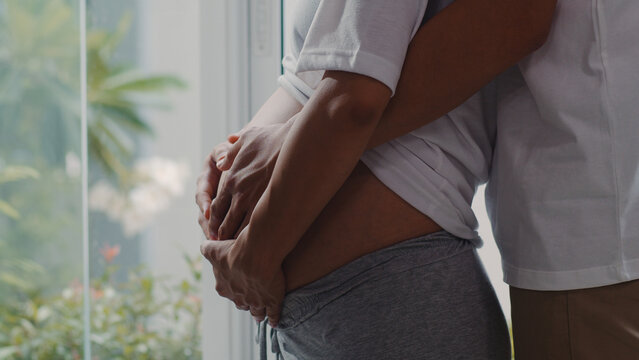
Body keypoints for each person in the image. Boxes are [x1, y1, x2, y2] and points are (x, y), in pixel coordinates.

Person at [201, 0, 639, 358]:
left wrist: (255, 250)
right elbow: (315, 74)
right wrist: (237, 155)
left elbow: (354, 100)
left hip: (385, 295)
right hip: (324, 304)